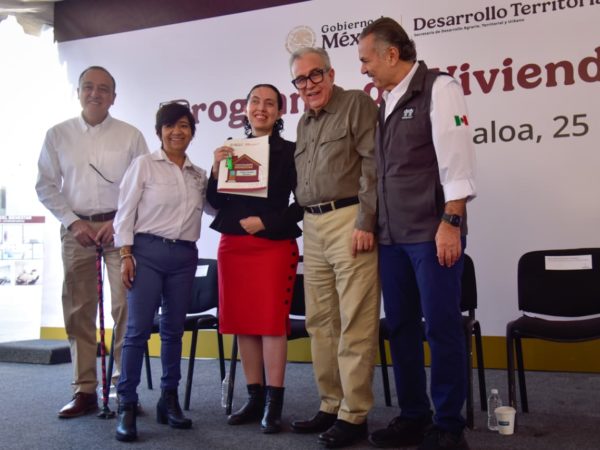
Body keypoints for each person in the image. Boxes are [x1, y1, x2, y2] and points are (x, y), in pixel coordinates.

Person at [357, 18, 477, 450]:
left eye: (366, 60)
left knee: (441, 328)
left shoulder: (439, 88)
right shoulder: (385, 101)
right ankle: (413, 416)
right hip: (392, 239)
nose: (363, 69)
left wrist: (452, 222)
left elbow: (457, 160)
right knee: (401, 327)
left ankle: (448, 426)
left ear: (391, 54)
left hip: (431, 233)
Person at [35, 66, 149, 419]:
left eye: (103, 89)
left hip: (120, 230)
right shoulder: (58, 134)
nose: (95, 93)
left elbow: (143, 185)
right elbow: (45, 185)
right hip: (77, 231)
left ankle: (124, 388)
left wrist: (119, 222)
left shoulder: (131, 135)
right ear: (79, 92)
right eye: (88, 87)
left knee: (125, 307)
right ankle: (84, 389)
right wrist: (73, 222)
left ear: (114, 97)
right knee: (78, 309)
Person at [288, 47, 381, 448]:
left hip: (349, 218)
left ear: (330, 73)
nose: (309, 85)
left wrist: (366, 220)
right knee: (320, 320)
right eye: (301, 79)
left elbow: (373, 164)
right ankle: (330, 403)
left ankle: (354, 414)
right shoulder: (304, 122)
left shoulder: (355, 104)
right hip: (312, 223)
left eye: (315, 75)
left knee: (354, 319)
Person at [207, 83, 303, 434]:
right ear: (245, 108)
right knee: (243, 323)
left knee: (271, 324)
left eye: (270, 103)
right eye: (255, 102)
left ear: (279, 112)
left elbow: (303, 201)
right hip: (233, 246)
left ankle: (273, 405)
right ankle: (254, 398)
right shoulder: (232, 148)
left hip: (272, 245)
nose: (261, 108)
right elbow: (216, 202)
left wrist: (267, 222)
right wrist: (215, 170)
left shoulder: (292, 151)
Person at [112, 100, 210, 442]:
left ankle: (169, 400)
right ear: (159, 132)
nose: (177, 131)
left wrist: (227, 169)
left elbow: (215, 208)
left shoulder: (199, 175)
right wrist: (126, 253)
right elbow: (125, 212)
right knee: (137, 330)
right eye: (170, 126)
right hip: (146, 253)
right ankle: (127, 403)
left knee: (173, 332)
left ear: (192, 132)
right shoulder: (144, 165)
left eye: (184, 125)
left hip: (184, 256)